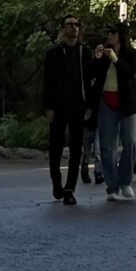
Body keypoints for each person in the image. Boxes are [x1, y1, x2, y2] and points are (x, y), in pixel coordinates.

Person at [42, 14, 94, 206]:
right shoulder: (53, 54)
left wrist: (90, 106)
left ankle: (69, 189)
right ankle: (57, 183)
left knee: (76, 149)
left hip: (78, 106)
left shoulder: (84, 53)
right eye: (70, 24)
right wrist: (48, 107)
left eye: (76, 24)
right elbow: (47, 81)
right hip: (58, 107)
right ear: (63, 29)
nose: (74, 27)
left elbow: (90, 80)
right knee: (55, 148)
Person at [93, 25, 136, 201]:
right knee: (108, 146)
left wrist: (115, 59)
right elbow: (93, 74)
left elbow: (130, 73)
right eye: (108, 33)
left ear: (120, 35)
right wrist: (98, 57)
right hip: (107, 101)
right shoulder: (105, 53)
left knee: (131, 142)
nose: (109, 36)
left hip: (127, 103)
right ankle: (112, 186)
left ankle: (125, 181)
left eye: (113, 33)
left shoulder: (131, 54)